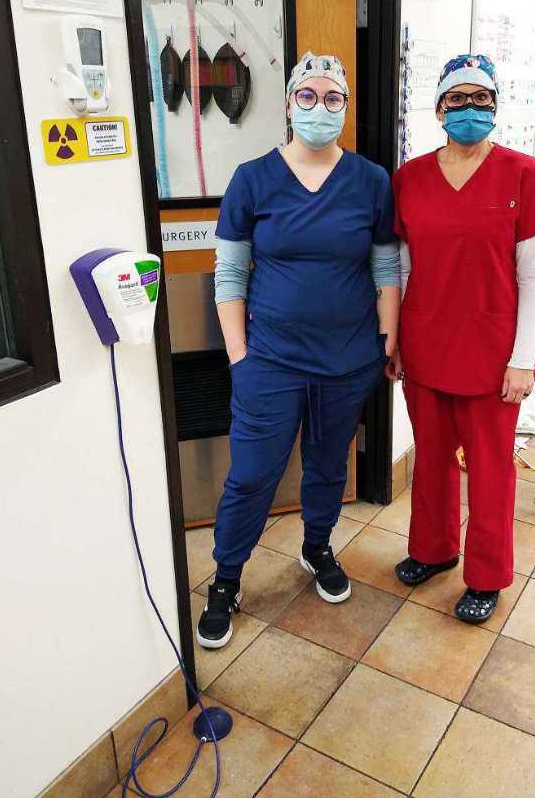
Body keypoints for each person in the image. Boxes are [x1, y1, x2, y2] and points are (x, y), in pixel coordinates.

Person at [198, 52, 400, 649]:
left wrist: (389, 336)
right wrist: (239, 353)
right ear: (289, 104)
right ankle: (227, 579)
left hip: (349, 360)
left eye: (332, 97)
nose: (319, 107)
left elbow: (385, 263)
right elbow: (230, 272)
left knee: (328, 464)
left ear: (346, 106)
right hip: (271, 362)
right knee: (253, 476)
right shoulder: (253, 179)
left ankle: (316, 547)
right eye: (306, 96)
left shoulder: (370, 180)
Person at [389, 54, 535, 624]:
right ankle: (433, 549)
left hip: (495, 354)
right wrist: (393, 339)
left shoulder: (523, 174)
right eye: (458, 99)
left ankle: (486, 575)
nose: (470, 109)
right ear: (439, 107)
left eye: (481, 99)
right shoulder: (411, 178)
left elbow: (533, 277)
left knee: (490, 469)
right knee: (433, 457)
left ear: (496, 106)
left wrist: (523, 359)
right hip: (425, 342)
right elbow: (400, 264)